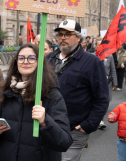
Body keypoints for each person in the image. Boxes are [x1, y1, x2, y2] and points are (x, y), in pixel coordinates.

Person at [0, 44, 72, 161]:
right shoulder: (7, 94)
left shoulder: (52, 96)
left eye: (31, 58)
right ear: (16, 62)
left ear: (39, 63)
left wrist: (45, 121)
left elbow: (64, 142)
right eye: (21, 58)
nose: (25, 61)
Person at [47, 19, 109, 161]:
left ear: (78, 37)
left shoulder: (92, 62)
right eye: (60, 34)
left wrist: (87, 125)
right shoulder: (49, 59)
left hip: (73, 131)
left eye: (68, 34)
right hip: (48, 126)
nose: (63, 38)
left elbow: (102, 98)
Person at [92, 39, 117, 129]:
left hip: (106, 83)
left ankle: (100, 119)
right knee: (94, 101)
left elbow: (113, 70)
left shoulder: (109, 56)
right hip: (94, 82)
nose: (100, 46)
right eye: (98, 44)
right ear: (95, 46)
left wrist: (115, 82)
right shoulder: (91, 56)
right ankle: (95, 119)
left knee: (104, 101)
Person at [107, 95, 126, 161]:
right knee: (122, 159)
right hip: (124, 141)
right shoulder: (122, 107)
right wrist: (112, 117)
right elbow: (114, 114)